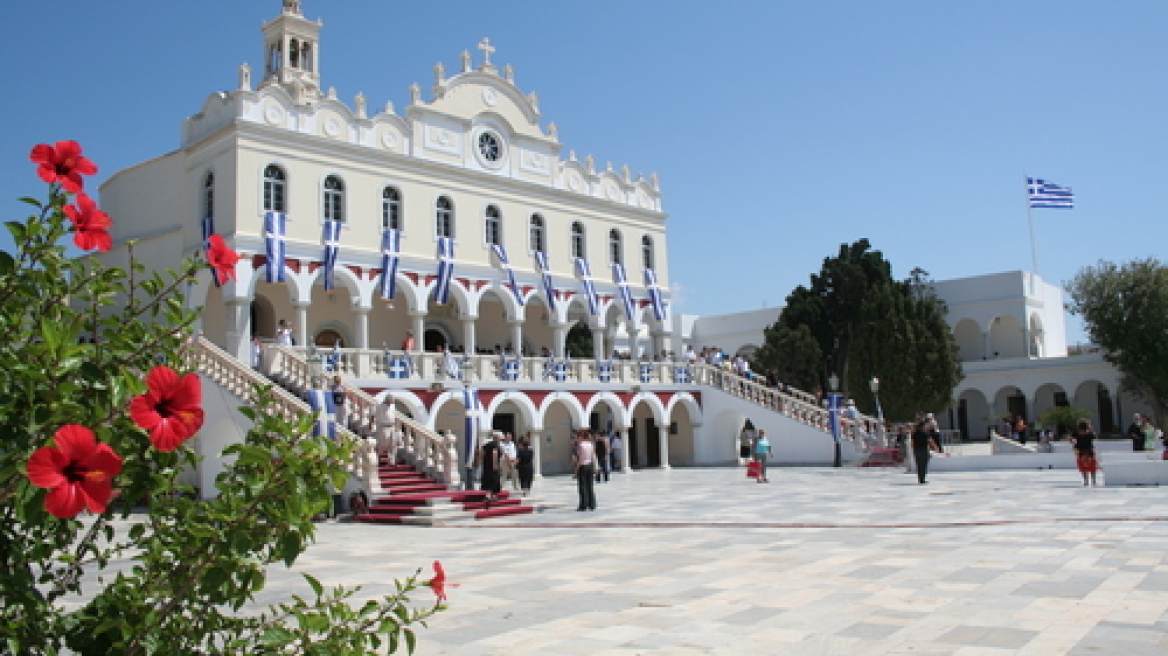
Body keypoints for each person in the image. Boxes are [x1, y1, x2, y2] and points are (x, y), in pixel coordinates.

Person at [910, 417, 940, 484]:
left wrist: (913, 449)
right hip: (924, 449)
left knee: (919, 464)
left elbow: (912, 442)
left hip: (917, 449)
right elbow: (930, 441)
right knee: (924, 464)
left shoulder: (914, 433)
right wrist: (936, 448)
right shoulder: (925, 433)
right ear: (923, 426)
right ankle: (922, 478)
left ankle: (920, 478)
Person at [1070, 418, 1099, 486]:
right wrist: (1091, 429)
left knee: (1083, 466)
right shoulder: (1089, 433)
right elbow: (1095, 437)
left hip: (1080, 450)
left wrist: (1073, 443)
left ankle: (1086, 481)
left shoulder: (1076, 433)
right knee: (1092, 466)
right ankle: (1093, 481)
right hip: (1089, 450)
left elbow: (1070, 439)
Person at [573, 430, 597, 511]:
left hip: (583, 466)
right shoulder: (590, 445)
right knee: (590, 485)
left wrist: (576, 470)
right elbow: (593, 456)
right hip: (590, 466)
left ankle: (583, 505)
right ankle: (592, 504)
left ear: (581, 437)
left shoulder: (581, 446)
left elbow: (579, 459)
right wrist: (595, 467)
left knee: (582, 486)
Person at [476, 431, 501, 502]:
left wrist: (479, 462)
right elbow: (494, 454)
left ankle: (488, 495)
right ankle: (491, 496)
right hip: (493, 466)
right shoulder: (495, 445)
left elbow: (481, 453)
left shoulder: (486, 445)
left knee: (487, 481)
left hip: (486, 466)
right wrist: (495, 465)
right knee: (493, 481)